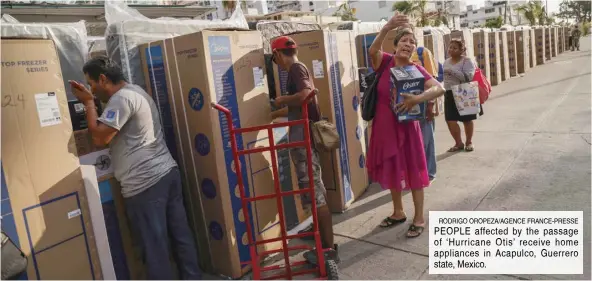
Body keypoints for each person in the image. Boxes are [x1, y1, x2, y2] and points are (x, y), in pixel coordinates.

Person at [69, 57, 202, 280]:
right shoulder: (135, 91)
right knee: (180, 235)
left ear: (103, 79)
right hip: (166, 173)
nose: (91, 90)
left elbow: (101, 137)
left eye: (92, 84)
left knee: (154, 248)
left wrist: (89, 103)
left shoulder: (122, 99)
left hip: (145, 184)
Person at [367, 14, 446, 238]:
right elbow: (372, 51)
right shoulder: (384, 62)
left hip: (408, 128)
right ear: (395, 44)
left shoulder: (416, 69)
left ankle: (419, 217)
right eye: (404, 41)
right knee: (393, 169)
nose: (408, 44)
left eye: (412, 42)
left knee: (414, 171)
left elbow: (439, 88)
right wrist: (386, 28)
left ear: (414, 49)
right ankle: (398, 211)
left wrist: (416, 99)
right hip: (384, 126)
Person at [270, 36, 339, 264]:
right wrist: (278, 112)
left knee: (316, 194)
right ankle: (322, 242)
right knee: (312, 192)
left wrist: (281, 100)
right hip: (303, 139)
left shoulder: (296, 69)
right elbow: (300, 104)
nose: (276, 62)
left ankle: (328, 250)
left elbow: (306, 94)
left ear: (278, 54)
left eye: (274, 58)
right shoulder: (297, 70)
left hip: (304, 142)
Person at [443, 39, 482, 153]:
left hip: (464, 92)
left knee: (467, 119)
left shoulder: (467, 61)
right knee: (450, 119)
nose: (451, 50)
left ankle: (469, 142)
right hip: (449, 92)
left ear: (462, 50)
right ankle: (458, 143)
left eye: (454, 48)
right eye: (450, 47)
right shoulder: (446, 62)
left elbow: (468, 78)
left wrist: (452, 71)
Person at [411, 46, 439, 182]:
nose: (407, 42)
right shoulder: (395, 57)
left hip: (424, 104)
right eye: (403, 39)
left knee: (427, 140)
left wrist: (431, 104)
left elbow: (433, 80)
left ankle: (429, 172)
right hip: (407, 107)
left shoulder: (422, 53)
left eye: (410, 39)